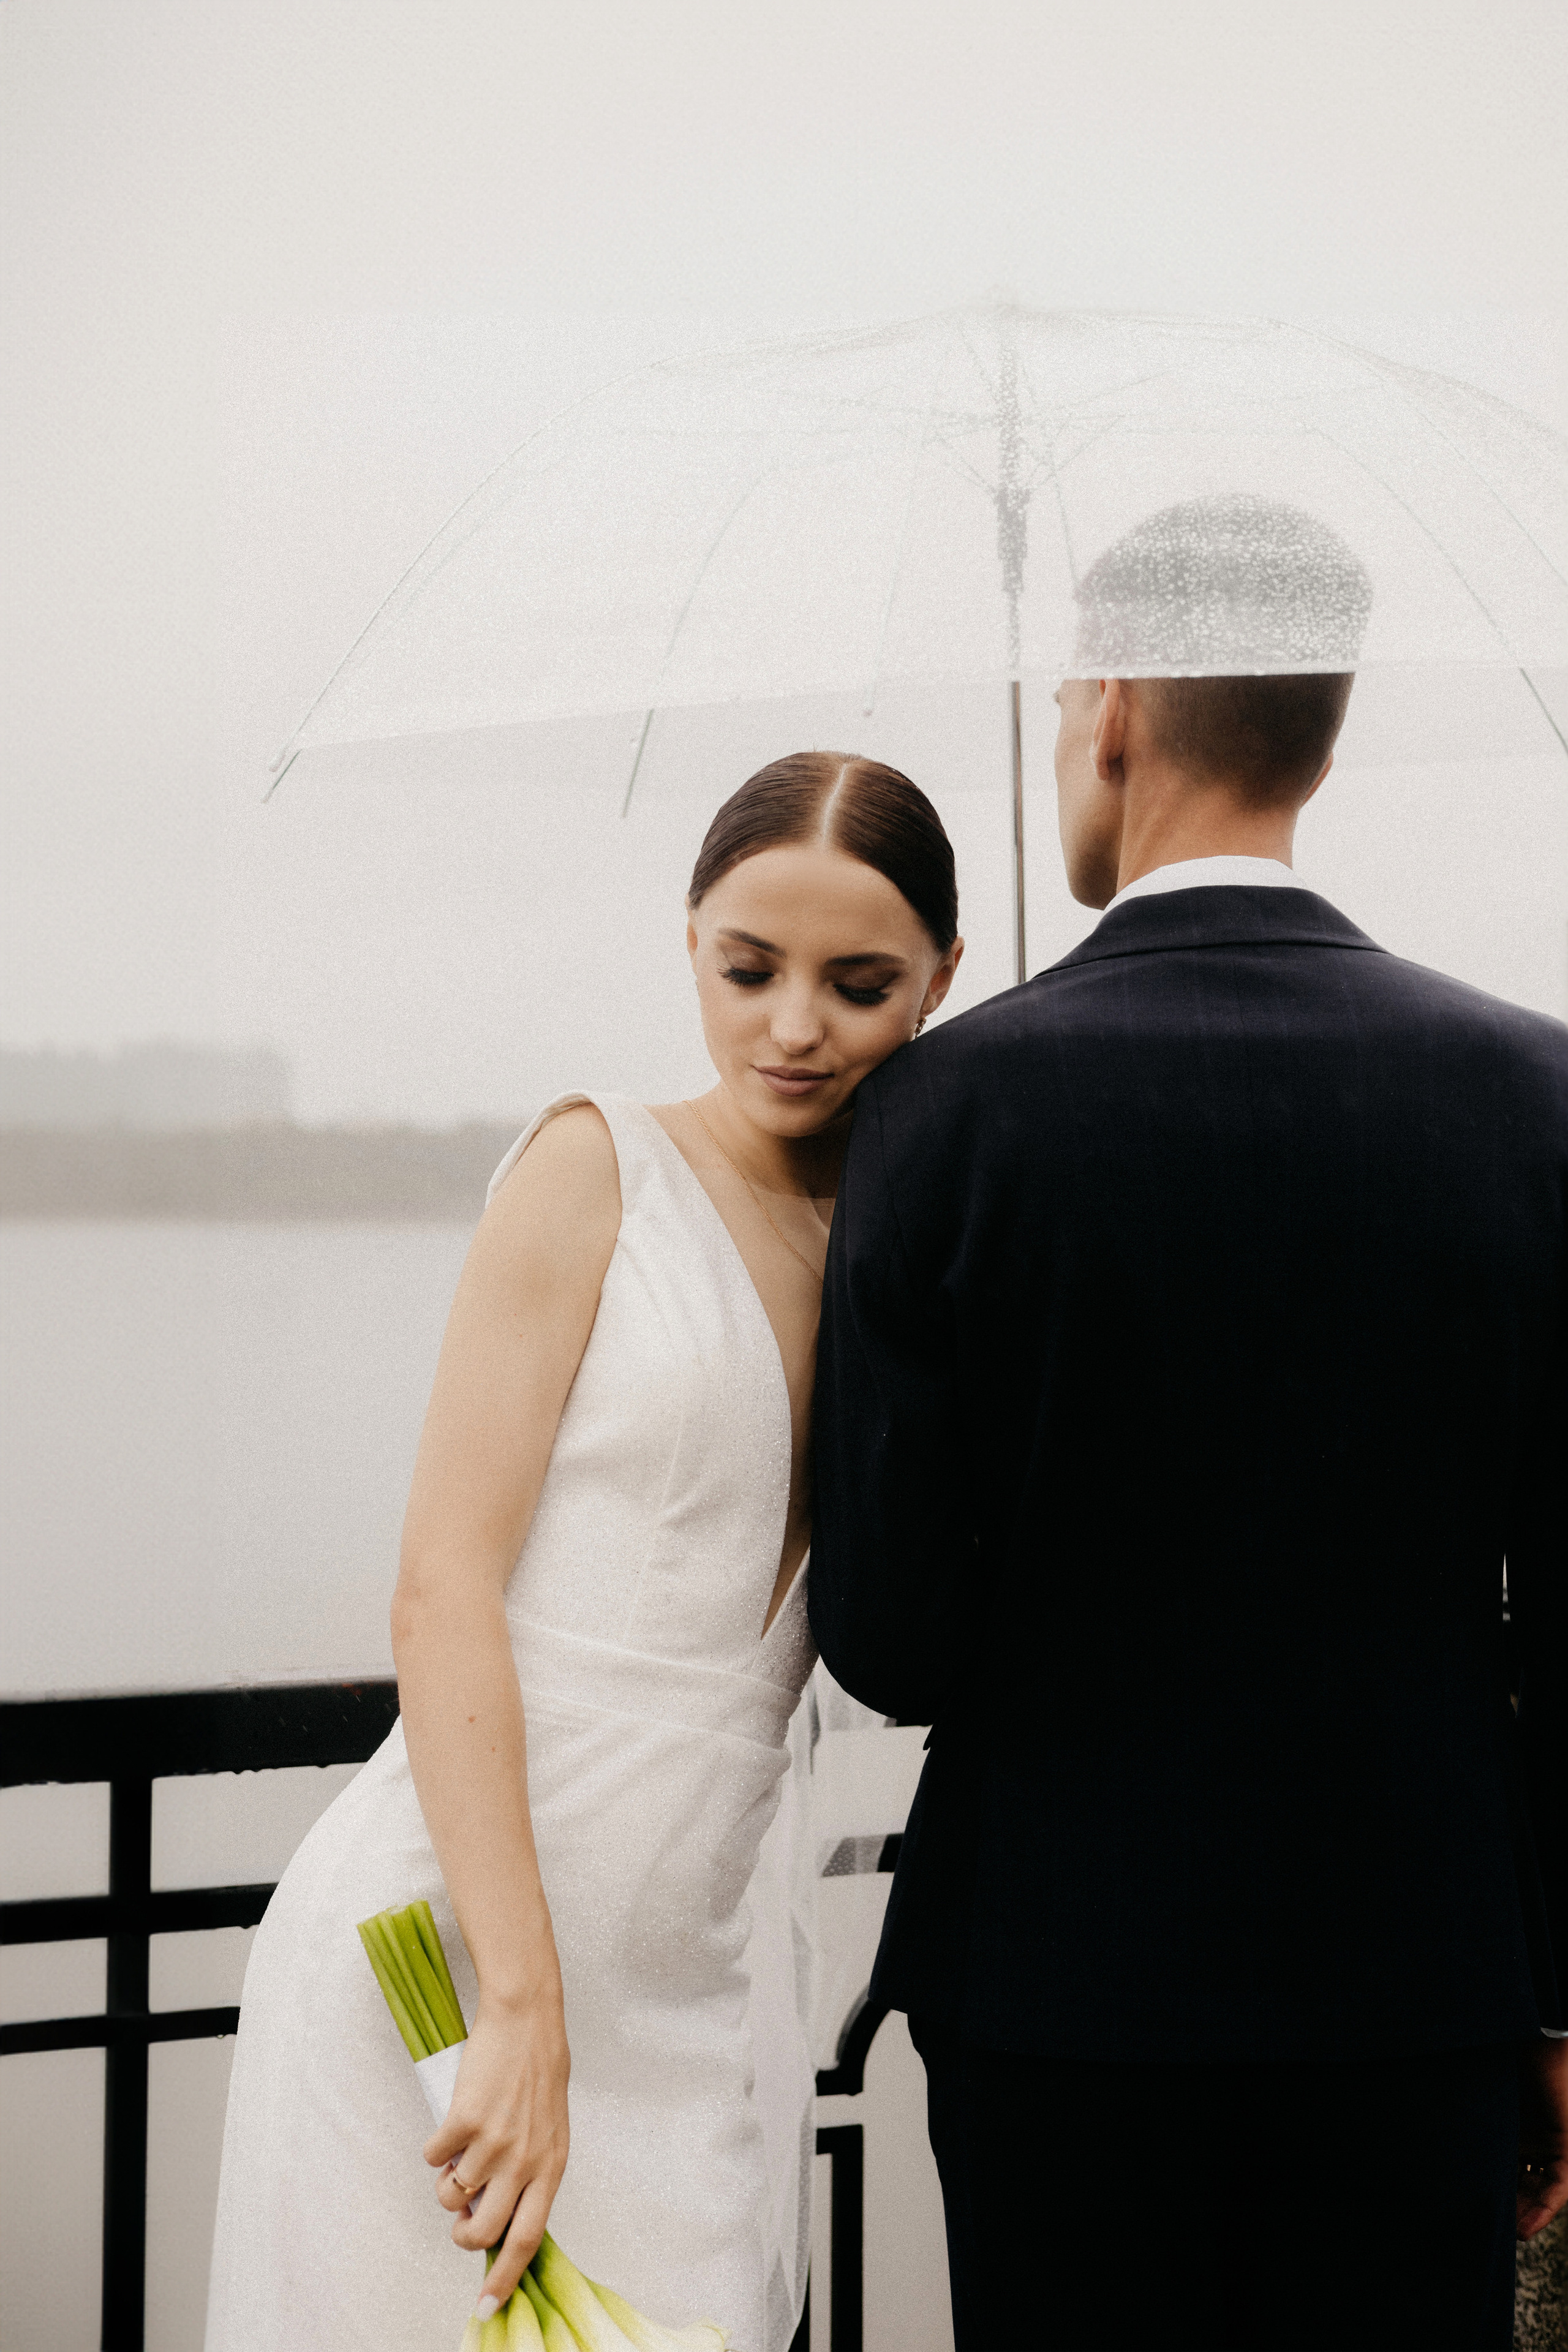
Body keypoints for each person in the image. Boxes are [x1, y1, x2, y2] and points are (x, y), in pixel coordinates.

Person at [809, 497, 1568, 2351]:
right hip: (1425, 1984)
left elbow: (891, 1642)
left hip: (1057, 1990)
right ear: (1321, 726)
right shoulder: (1535, 1098)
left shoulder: (946, 1109)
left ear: (1115, 711)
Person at [205, 753, 962, 2352]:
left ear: (942, 981)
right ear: (690, 941)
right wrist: (523, 2013)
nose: (792, 1024)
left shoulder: (918, 1254)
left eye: (859, 981)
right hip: (447, 1994)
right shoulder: (590, 1168)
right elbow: (440, 1586)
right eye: (747, 969)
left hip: (693, 2020)